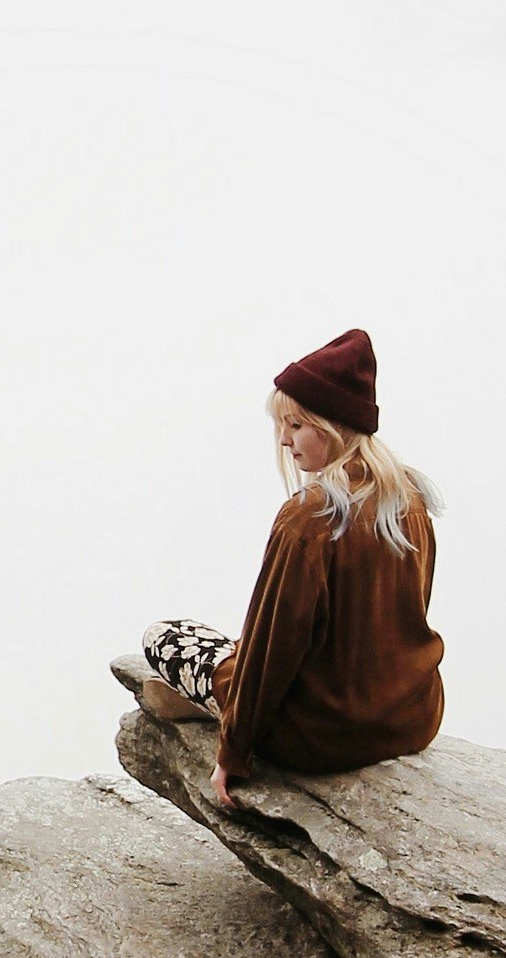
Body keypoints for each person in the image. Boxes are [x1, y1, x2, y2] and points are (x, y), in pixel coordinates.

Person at [115, 329, 443, 806]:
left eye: (296, 425)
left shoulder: (310, 518)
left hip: (318, 737)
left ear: (332, 425)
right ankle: (216, 691)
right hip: (410, 718)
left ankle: (211, 704)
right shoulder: (409, 501)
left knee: (164, 637)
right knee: (245, 650)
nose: (285, 441)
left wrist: (233, 752)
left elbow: (275, 647)